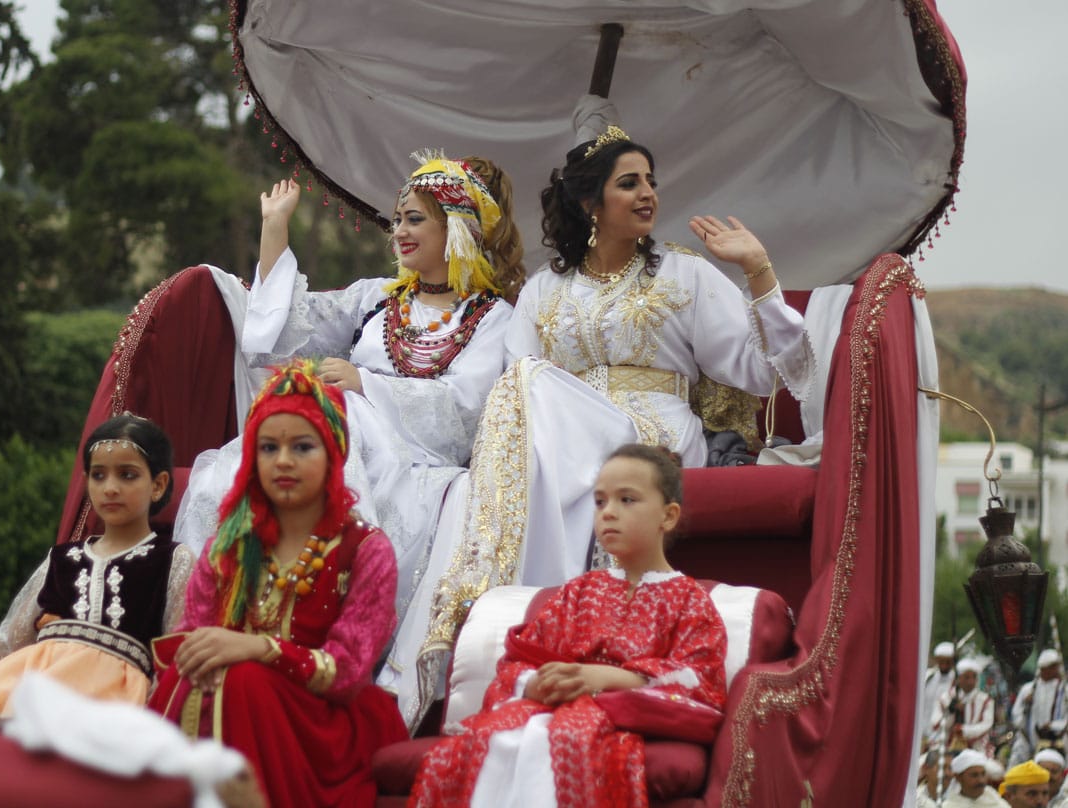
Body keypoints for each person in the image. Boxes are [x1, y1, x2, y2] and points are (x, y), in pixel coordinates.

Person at [411, 126, 814, 710]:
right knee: (519, 389)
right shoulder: (543, 290)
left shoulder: (684, 274)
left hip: (652, 439)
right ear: (588, 203)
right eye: (630, 183)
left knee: (527, 389)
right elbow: (516, 393)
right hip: (561, 441)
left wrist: (757, 271)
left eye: (651, 182)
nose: (648, 193)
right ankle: (498, 620)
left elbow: (768, 371)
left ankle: (524, 617)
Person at [172, 154, 524, 726]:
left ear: (455, 229)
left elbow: (467, 409)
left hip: (413, 460)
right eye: (397, 220)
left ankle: (316, 653)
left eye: (414, 220)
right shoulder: (375, 297)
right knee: (239, 470)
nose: (400, 232)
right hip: (338, 438)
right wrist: (275, 228)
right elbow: (279, 336)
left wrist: (367, 384)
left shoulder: (491, 318)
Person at [149, 360, 408, 808]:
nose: (283, 461)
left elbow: (346, 673)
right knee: (190, 678)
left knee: (244, 680)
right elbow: (196, 638)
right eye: (268, 448)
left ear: (334, 455)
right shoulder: (227, 547)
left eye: (302, 447)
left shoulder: (365, 549)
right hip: (237, 700)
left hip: (325, 723)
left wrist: (260, 649)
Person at [410, 444, 727, 807]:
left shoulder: (688, 600)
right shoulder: (580, 592)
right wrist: (539, 683)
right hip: (544, 711)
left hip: (614, 723)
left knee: (568, 742)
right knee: (481, 740)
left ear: (668, 516)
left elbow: (700, 682)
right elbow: (516, 663)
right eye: (600, 502)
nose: (608, 513)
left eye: (627, 500)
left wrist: (607, 680)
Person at [0, 415, 195, 715]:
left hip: (111, 701)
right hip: (30, 682)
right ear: (86, 483)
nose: (110, 488)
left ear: (158, 484)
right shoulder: (61, 559)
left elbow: (176, 659)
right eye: (99, 475)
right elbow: (7, 644)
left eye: (127, 475)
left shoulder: (173, 560)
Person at [1012, 650, 1068, 765]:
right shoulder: (1028, 689)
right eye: (1051, 667)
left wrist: (1053, 725)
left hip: (1059, 739)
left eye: (1055, 666)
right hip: (1029, 740)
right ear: (1043, 669)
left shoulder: (1065, 690)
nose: (1055, 670)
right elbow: (1016, 714)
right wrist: (1025, 705)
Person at [935, 659, 997, 756]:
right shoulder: (946, 698)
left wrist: (963, 730)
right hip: (947, 748)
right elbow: (936, 724)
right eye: (966, 678)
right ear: (958, 679)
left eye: (974, 678)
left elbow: (986, 725)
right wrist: (951, 711)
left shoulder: (985, 700)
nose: (970, 682)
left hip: (977, 750)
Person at [925, 641, 959, 745]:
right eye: (941, 661)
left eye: (947, 662)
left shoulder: (956, 682)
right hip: (924, 733)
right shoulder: (929, 678)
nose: (944, 665)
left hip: (944, 737)